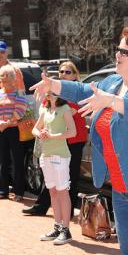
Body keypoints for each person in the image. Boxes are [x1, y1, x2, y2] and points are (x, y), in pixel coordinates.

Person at [30, 27, 128, 255]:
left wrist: (111, 101)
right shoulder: (112, 82)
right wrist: (53, 85)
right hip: (121, 188)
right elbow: (81, 90)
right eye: (118, 49)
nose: (117, 54)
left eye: (125, 52)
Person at [22, 61, 87, 217]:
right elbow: (46, 109)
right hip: (54, 141)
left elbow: (70, 111)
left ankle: (68, 212)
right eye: (61, 72)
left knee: (69, 177)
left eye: (67, 72)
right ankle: (41, 207)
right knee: (50, 176)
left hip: (73, 139)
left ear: (75, 75)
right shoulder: (54, 90)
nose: (63, 74)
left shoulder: (79, 92)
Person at [32, 90, 76, 245]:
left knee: (63, 192)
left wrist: (53, 135)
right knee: (53, 192)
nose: (48, 94)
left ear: (59, 94)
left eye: (51, 92)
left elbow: (72, 132)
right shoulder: (44, 109)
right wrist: (40, 133)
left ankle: (66, 229)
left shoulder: (64, 109)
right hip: (46, 155)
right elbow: (35, 129)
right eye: (46, 92)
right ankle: (57, 227)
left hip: (61, 156)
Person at [0, 65, 28, 201]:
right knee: (3, 161)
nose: (3, 78)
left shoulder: (19, 92)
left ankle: (19, 192)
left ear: (13, 78)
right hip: (1, 130)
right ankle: (3, 190)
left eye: (7, 75)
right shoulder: (0, 93)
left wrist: (7, 123)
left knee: (17, 161)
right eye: (2, 75)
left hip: (15, 130)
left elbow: (21, 110)